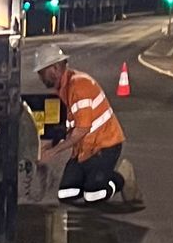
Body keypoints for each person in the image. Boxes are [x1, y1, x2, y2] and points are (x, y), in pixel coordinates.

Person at [33, 44, 137, 207]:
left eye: (41, 72)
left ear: (54, 69)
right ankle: (92, 178)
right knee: (66, 194)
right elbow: (65, 125)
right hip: (83, 150)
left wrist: (53, 152)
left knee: (94, 195)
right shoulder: (62, 89)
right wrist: (49, 146)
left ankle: (123, 177)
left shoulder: (79, 86)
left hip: (104, 146)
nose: (40, 77)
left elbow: (82, 129)